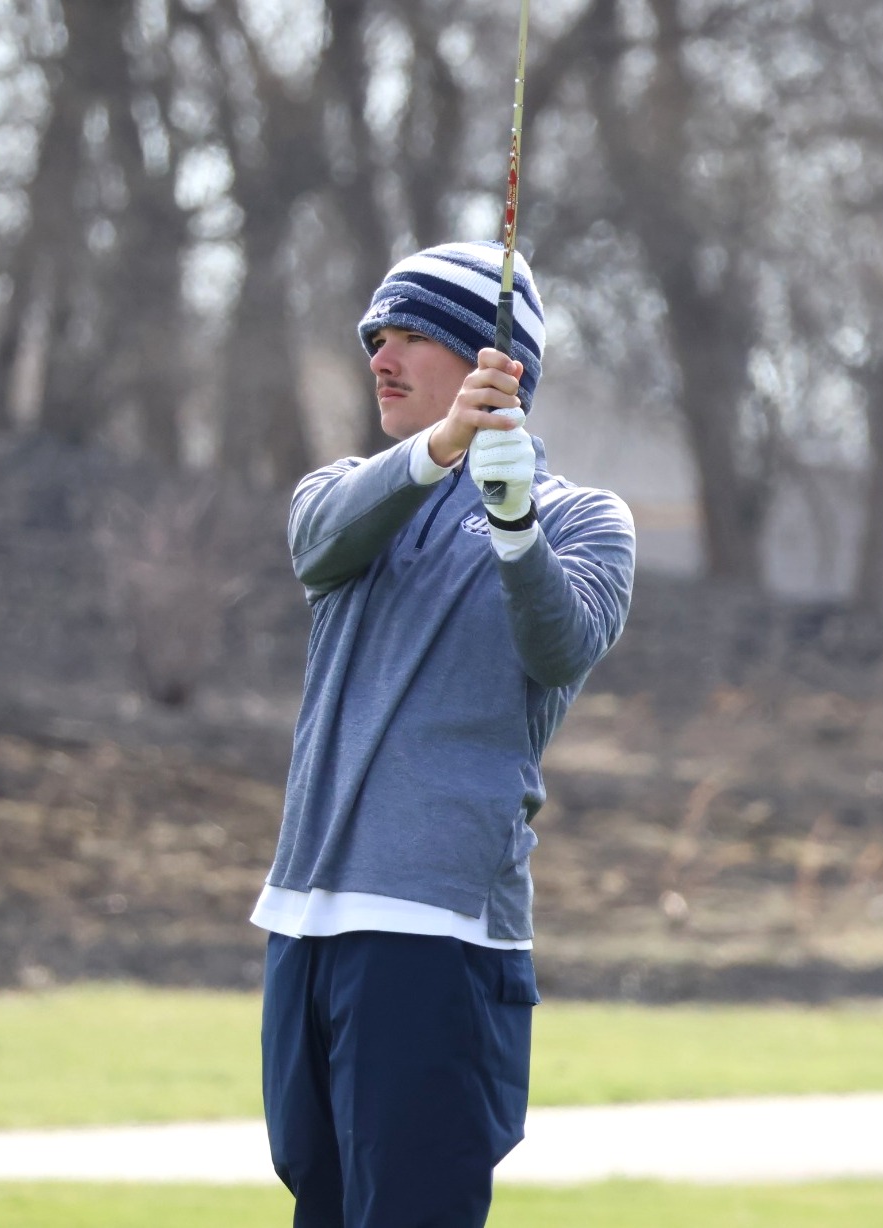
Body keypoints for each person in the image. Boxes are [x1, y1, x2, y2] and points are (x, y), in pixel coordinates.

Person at [253, 240, 636, 1228]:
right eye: (376, 334)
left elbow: (559, 646)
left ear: (488, 361)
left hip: (439, 932)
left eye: (412, 333)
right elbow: (317, 542)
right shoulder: (350, 493)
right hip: (302, 922)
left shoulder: (581, 518)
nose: (380, 354)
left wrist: (512, 520)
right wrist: (436, 455)